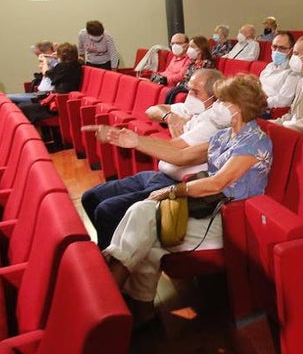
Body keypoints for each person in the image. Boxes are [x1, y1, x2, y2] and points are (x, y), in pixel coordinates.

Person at [101, 74, 273, 325]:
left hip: (228, 220)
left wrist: (172, 192)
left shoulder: (256, 142)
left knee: (144, 218)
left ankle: (106, 296)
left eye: (222, 101)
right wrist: (136, 141)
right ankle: (141, 313)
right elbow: (180, 156)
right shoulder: (224, 136)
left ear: (236, 107)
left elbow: (217, 183)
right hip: (205, 209)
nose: (216, 107)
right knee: (146, 228)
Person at [83, 69, 226, 249]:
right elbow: (151, 110)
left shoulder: (214, 123)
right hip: (158, 175)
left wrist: (134, 140)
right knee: (90, 197)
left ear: (214, 97)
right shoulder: (193, 108)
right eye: (189, 89)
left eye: (195, 92)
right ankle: (111, 248)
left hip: (178, 184)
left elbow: (179, 154)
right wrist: (170, 116)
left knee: (107, 211)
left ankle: (111, 263)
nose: (189, 96)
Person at [16, 42, 83, 134]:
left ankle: (35, 139)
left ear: (61, 56)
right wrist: (56, 57)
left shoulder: (63, 66)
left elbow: (46, 73)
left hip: (59, 103)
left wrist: (44, 62)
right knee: (23, 106)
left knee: (23, 108)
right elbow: (79, 59)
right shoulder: (77, 65)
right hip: (63, 99)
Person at [163, 35, 216, 103]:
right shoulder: (193, 62)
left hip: (196, 87)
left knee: (173, 91)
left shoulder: (207, 63)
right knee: (171, 92)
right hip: (187, 85)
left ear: (200, 49)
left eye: (192, 47)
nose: (189, 49)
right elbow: (186, 77)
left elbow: (199, 80)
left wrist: (184, 85)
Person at [258, 31, 300, 110]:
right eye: (274, 47)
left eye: (282, 48)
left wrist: (259, 103)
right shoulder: (269, 66)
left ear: (291, 50)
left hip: (267, 109)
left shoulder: (293, 72)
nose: (277, 51)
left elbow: (283, 101)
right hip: (254, 102)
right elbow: (258, 86)